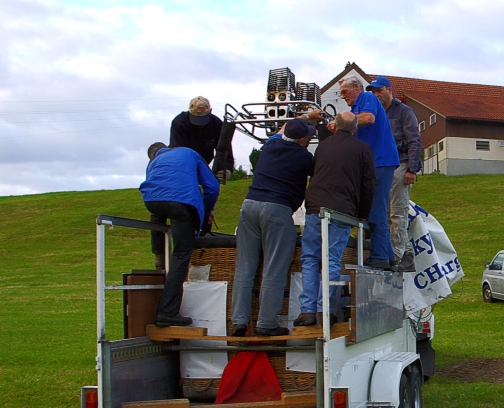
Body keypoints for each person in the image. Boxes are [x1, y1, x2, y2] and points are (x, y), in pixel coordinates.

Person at [229, 118, 316, 337]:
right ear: (303, 140)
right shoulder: (304, 157)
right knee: (273, 269)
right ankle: (266, 323)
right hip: (277, 209)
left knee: (244, 268)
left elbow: (280, 131)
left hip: (248, 207)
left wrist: (305, 117)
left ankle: (239, 321)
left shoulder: (270, 145)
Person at [294, 112, 375, 327]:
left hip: (314, 207)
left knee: (310, 258)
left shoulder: (322, 147)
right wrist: (363, 214)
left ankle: (307, 310)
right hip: (341, 209)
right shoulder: (363, 149)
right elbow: (368, 184)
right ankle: (324, 309)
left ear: (335, 126)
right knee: (330, 259)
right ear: (355, 129)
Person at [139, 142, 220, 327]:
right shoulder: (189, 152)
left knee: (158, 217)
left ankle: (158, 256)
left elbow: (160, 191)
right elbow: (212, 186)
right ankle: (167, 312)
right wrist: (207, 212)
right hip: (181, 202)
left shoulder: (154, 162)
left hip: (151, 200)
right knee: (181, 254)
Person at [335, 77, 400, 270]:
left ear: (356, 88)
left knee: (376, 210)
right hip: (375, 163)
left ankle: (379, 255)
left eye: (345, 92)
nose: (343, 97)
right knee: (374, 209)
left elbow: (369, 118)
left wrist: (341, 123)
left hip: (380, 162)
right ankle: (388, 256)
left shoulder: (366, 98)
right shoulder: (359, 106)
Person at [367, 76, 422, 272]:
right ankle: (405, 254)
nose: (376, 94)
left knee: (397, 212)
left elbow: (415, 140)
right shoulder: (377, 112)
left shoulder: (404, 112)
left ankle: (396, 256)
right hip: (384, 166)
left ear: (390, 90)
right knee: (386, 212)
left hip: (401, 163)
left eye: (379, 90)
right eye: (373, 92)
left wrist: (412, 169)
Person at [169, 96, 233, 169]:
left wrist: (226, 169)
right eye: (196, 119)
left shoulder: (217, 124)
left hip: (204, 164)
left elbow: (225, 151)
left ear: (210, 111)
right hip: (183, 164)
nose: (199, 124)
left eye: (203, 119)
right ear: (190, 112)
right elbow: (177, 151)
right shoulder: (179, 123)